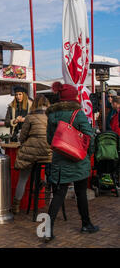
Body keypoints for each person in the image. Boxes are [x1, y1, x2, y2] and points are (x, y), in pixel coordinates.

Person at [44, 81, 98, 242]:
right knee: (81, 192)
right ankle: (86, 224)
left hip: (59, 160)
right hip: (77, 160)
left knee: (59, 195)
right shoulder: (77, 114)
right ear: (73, 98)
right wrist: (89, 153)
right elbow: (89, 136)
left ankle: (47, 230)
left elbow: (49, 139)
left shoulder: (52, 115)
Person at [12, 95, 52, 214]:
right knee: (44, 167)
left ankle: (16, 205)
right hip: (47, 152)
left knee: (23, 178)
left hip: (31, 151)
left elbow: (23, 136)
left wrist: (26, 143)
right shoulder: (51, 116)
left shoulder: (30, 117)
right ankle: (41, 183)